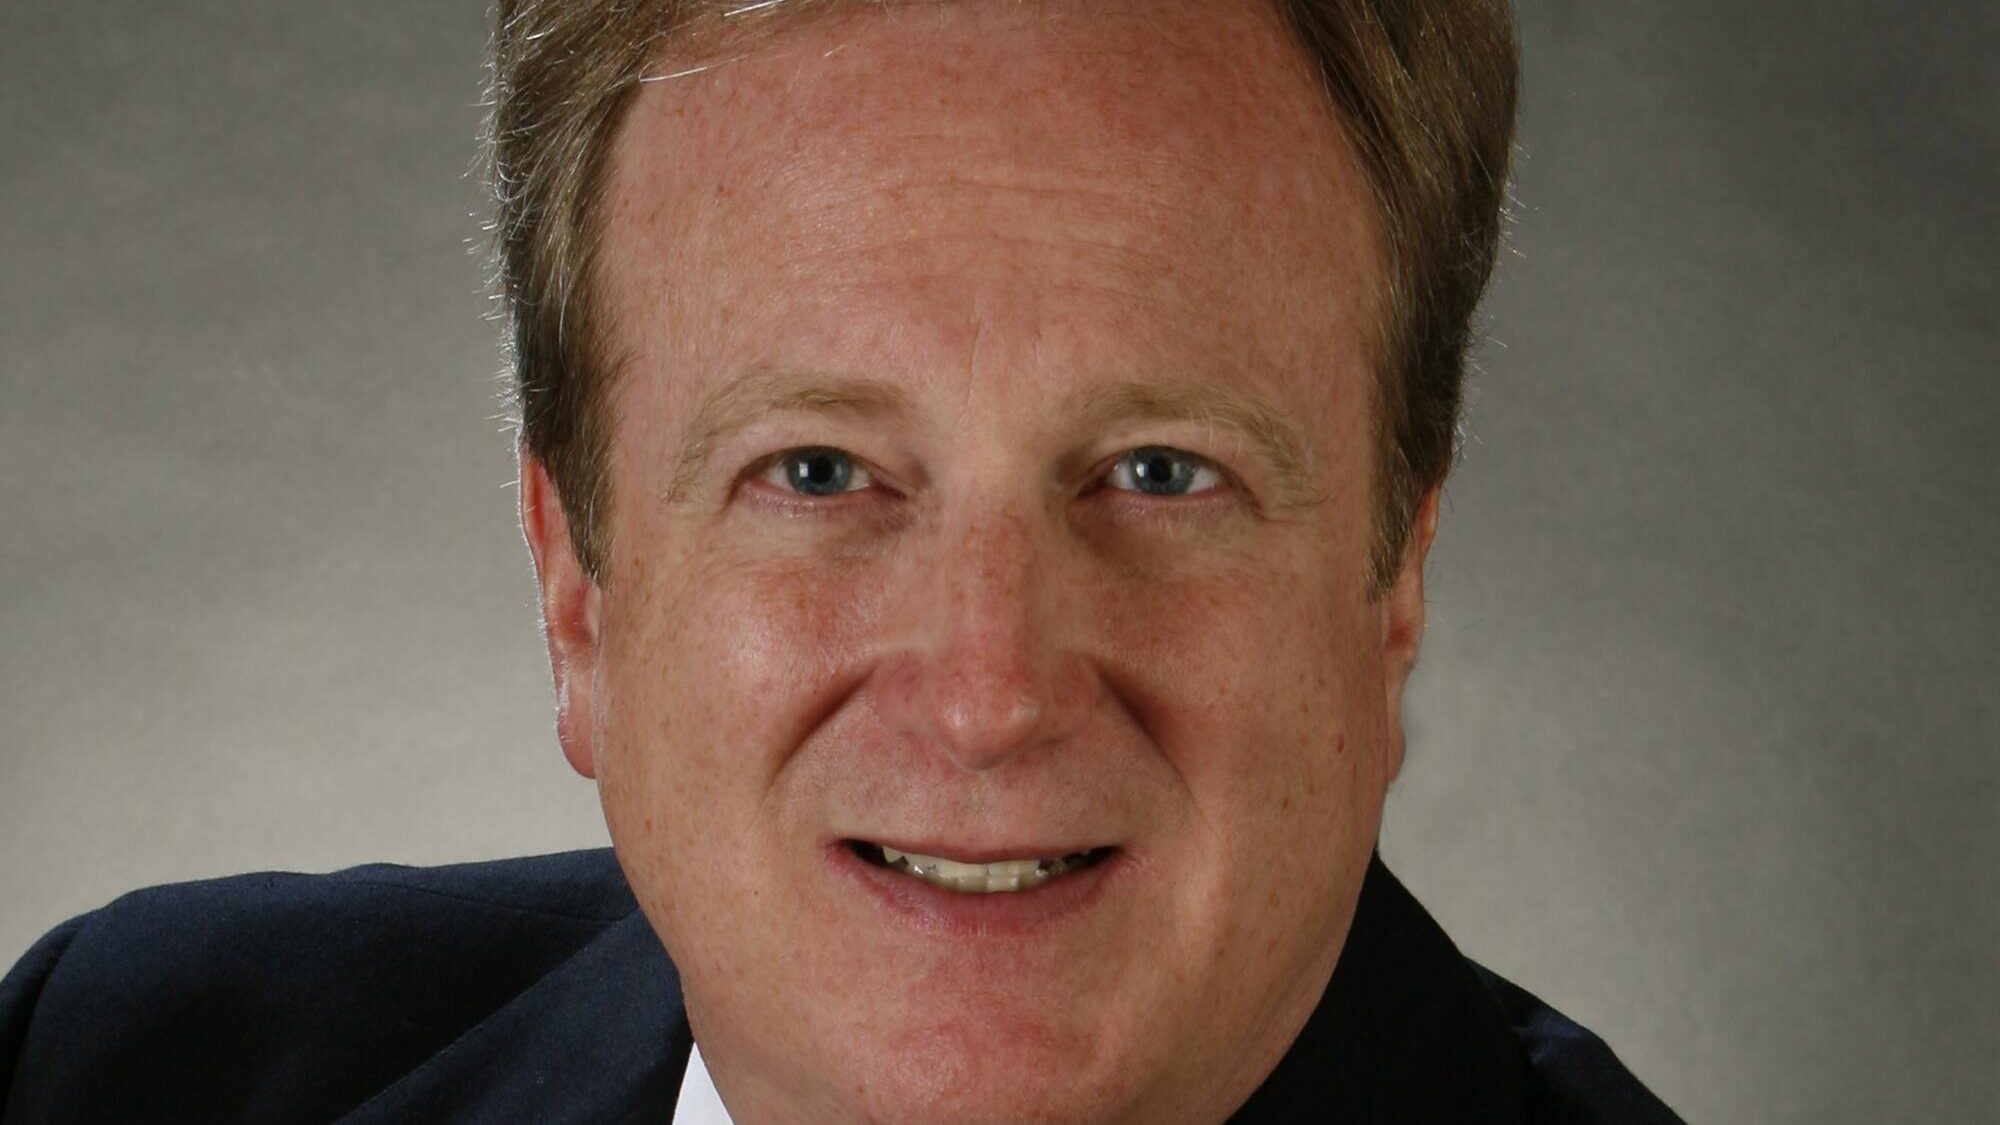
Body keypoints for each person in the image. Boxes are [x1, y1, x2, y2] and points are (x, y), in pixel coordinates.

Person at [0, 1, 1684, 1121]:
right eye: (817, 472)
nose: (989, 697)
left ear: (1393, 582)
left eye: (1161, 473)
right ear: (577, 591)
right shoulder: (121, 1068)